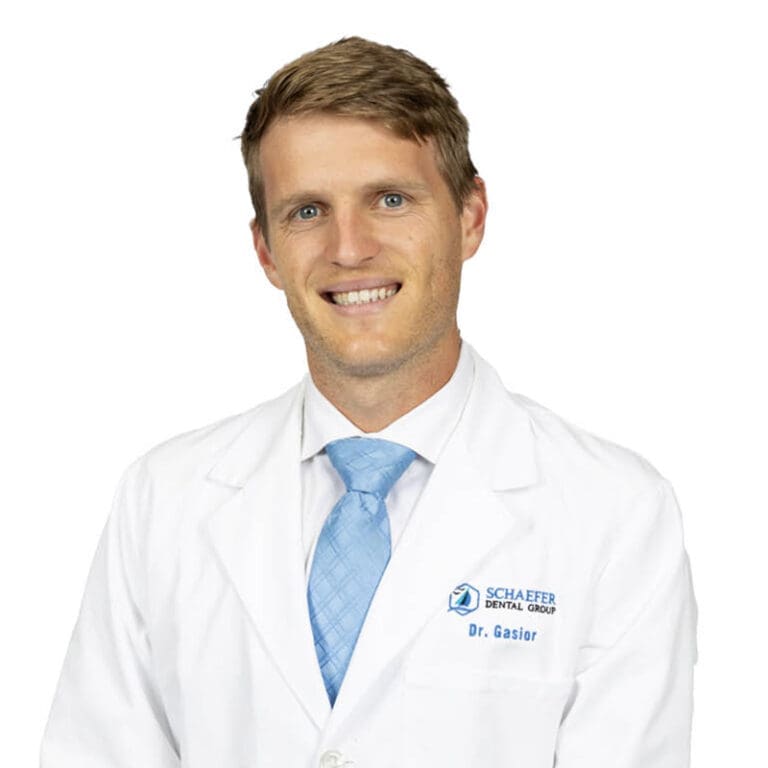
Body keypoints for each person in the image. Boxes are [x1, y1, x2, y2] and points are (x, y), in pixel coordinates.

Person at [41, 37, 697, 767]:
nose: (349, 248)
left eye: (390, 199)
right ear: (265, 250)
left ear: (470, 216)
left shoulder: (614, 513)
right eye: (307, 211)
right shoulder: (162, 500)